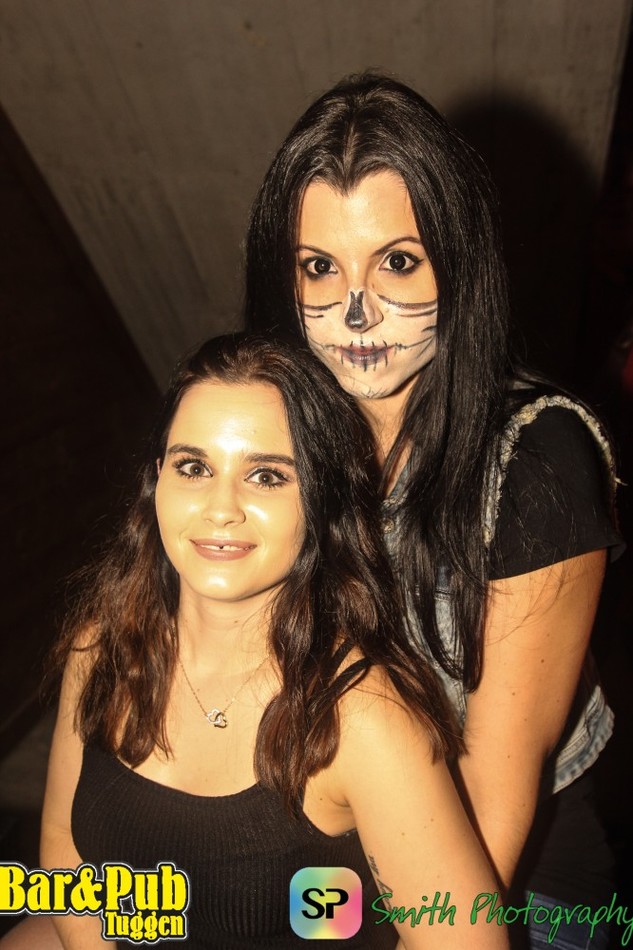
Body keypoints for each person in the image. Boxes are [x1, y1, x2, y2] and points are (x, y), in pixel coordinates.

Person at [245, 73, 624, 949]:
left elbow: (491, 811)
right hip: (332, 855)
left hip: (511, 889)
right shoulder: (274, 432)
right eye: (319, 267)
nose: (356, 311)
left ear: (457, 262)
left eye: (397, 262)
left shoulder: (535, 457)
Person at [2, 335, 507, 949]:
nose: (222, 509)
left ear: (321, 499)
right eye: (194, 468)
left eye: (266, 476)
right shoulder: (101, 649)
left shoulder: (362, 720)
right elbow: (64, 848)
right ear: (156, 479)